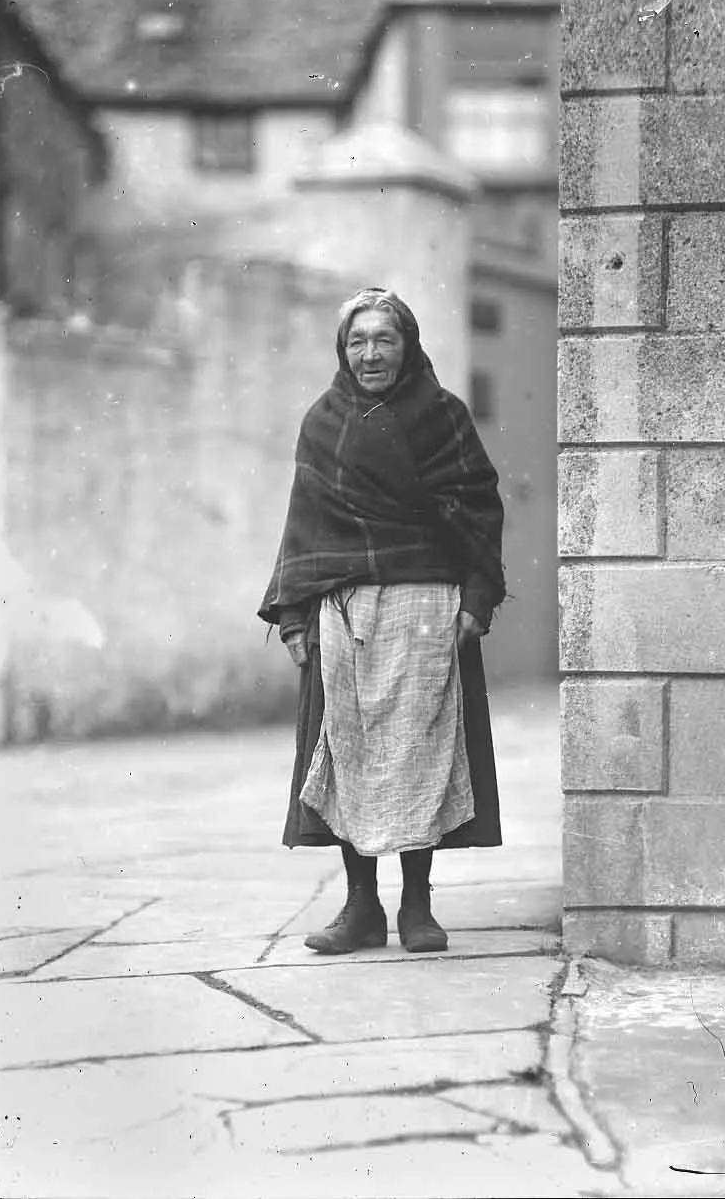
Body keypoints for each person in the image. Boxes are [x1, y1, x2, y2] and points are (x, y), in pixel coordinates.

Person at [257, 287, 506, 955]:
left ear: (408, 345)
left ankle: (416, 906)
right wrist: (292, 618)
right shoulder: (324, 420)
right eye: (357, 341)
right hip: (343, 606)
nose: (370, 354)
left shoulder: (443, 416)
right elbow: (304, 522)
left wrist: (475, 604)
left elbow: (479, 510)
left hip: (426, 606)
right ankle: (360, 907)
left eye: (383, 340)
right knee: (350, 752)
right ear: (343, 350)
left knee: (418, 752)